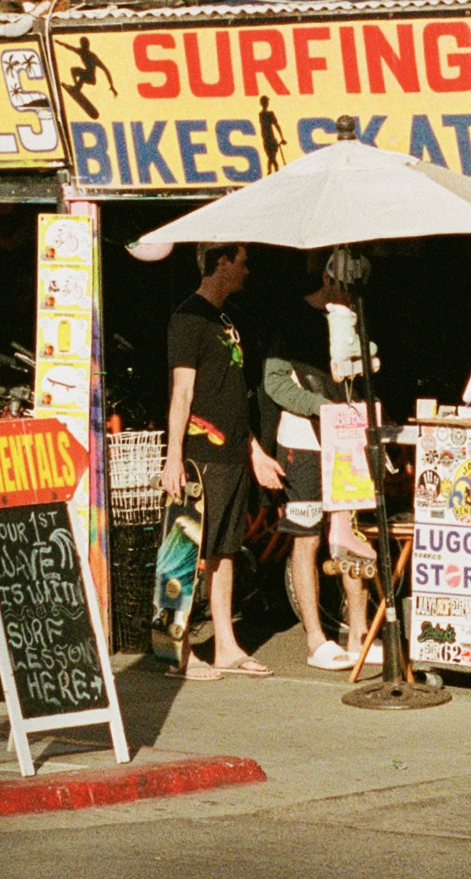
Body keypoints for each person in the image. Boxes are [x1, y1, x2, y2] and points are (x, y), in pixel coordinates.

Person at [163, 243, 285, 680]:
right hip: (200, 456)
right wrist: (174, 456)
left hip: (232, 453)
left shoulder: (226, 319)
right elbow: (182, 392)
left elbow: (230, 394)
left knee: (225, 550)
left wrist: (255, 452)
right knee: (187, 548)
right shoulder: (188, 317)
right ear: (222, 263)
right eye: (242, 262)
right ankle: (176, 650)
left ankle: (227, 646)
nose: (247, 271)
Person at [261, 261, 376, 671]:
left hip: (345, 436)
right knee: (306, 536)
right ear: (327, 279)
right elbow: (274, 381)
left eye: (355, 290)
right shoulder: (294, 319)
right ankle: (315, 639)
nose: (349, 297)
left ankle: (359, 633)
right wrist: (319, 406)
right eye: (344, 288)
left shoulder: (354, 317)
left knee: (350, 531)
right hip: (303, 440)